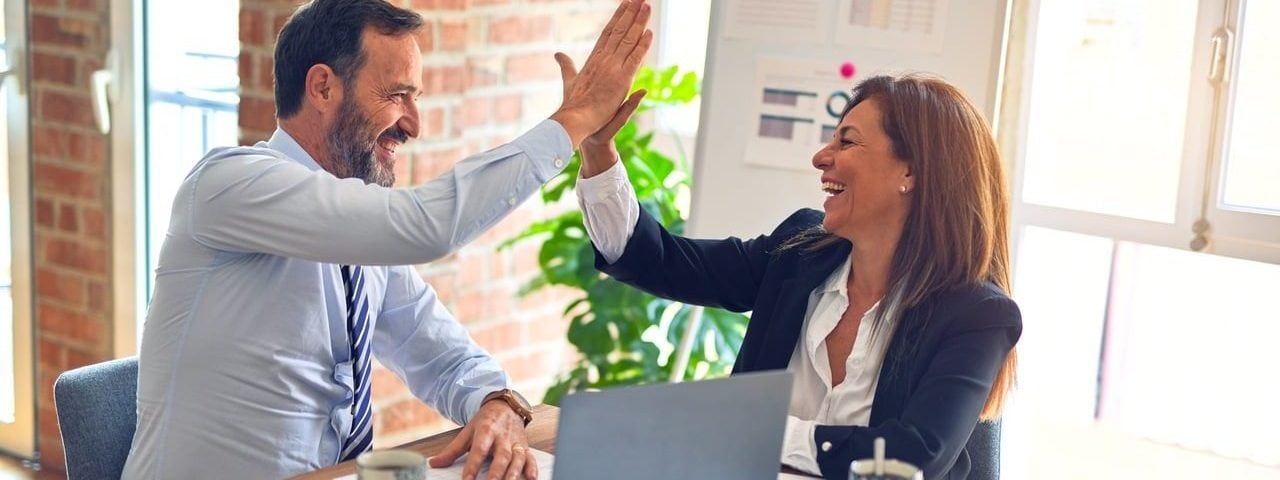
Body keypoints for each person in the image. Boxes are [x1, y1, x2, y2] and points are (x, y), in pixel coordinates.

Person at [122, 0, 653, 478]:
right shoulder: (229, 185)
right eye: (397, 95)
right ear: (323, 87)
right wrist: (574, 120)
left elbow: (443, 356)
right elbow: (424, 225)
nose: (414, 125)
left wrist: (496, 400)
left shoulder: (358, 236)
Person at [575, 74, 1022, 479]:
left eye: (847, 143)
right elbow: (660, 260)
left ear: (910, 172)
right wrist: (598, 149)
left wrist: (759, 434)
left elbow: (912, 459)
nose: (820, 157)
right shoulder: (799, 252)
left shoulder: (977, 315)